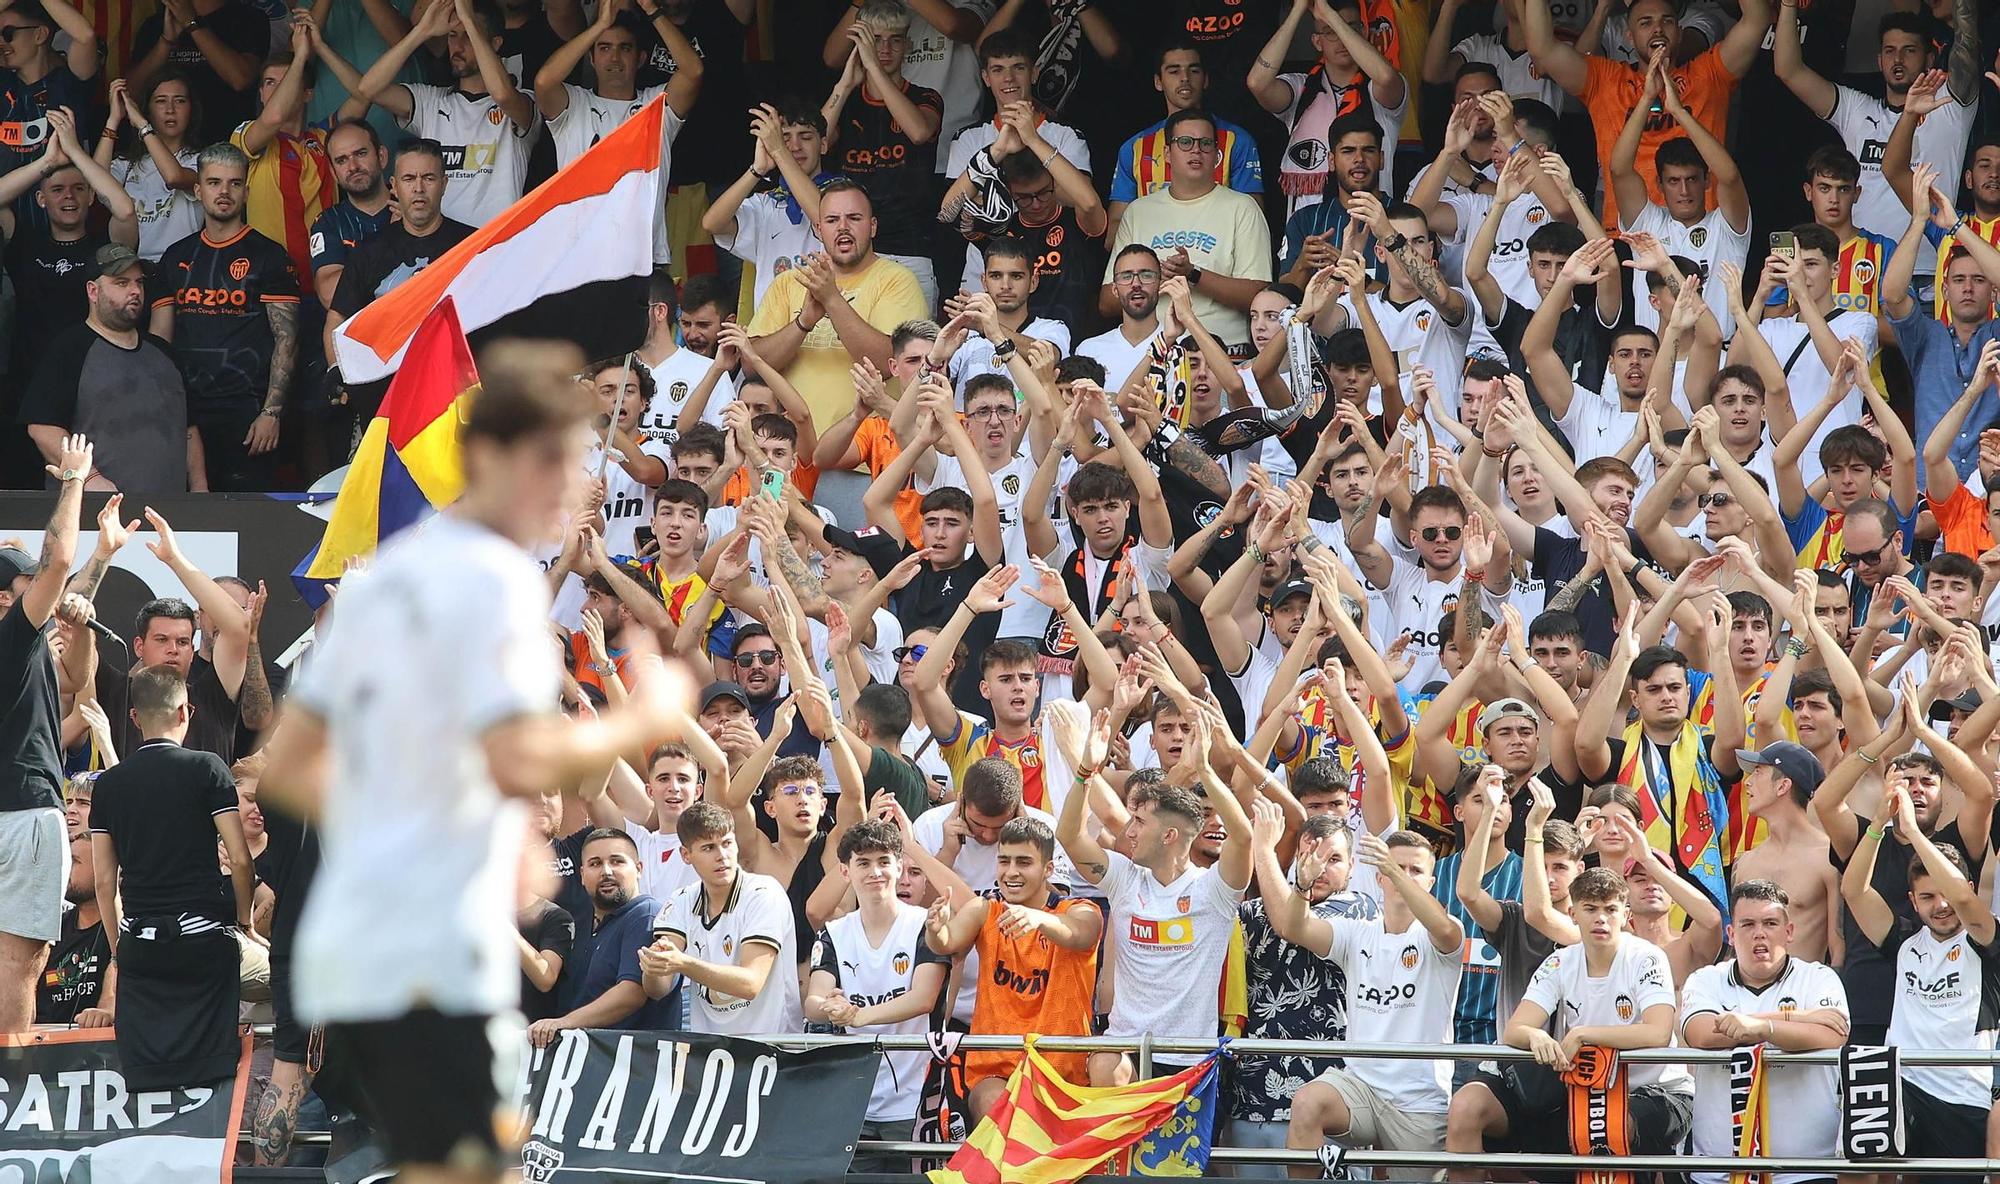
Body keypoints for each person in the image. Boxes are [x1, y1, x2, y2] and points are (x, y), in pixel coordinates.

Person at [258, 342, 688, 1184]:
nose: (570, 487)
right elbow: (516, 753)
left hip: (365, 954)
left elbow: (290, 767)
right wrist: (643, 719)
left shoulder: (388, 576)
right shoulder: (492, 580)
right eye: (553, 463)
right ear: (487, 457)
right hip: (426, 954)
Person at [1257, 799, 1464, 1167]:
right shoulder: (1357, 933)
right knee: (1307, 1102)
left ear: (1431, 882)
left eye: (1415, 870)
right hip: (1361, 1089)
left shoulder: (1439, 934)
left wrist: (1397, 872)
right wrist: (1302, 886)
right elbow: (1295, 927)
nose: (1404, 875)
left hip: (1419, 1101)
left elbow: (1446, 931)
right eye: (1395, 868)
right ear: (1378, 878)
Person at [1446, 867, 1692, 1172]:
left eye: (1611, 909)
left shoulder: (1648, 957)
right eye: (1590, 909)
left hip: (1659, 1091)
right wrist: (1535, 1036)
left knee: (1604, 1127)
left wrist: (1583, 1034)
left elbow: (1658, 1032)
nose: (1601, 918)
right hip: (1577, 1091)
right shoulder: (1559, 961)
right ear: (1573, 913)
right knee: (1466, 1108)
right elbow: (1515, 1030)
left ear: (1626, 914)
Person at [1056, 704, 1253, 1085]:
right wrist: (1085, 772)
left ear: (1168, 836)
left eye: (1140, 823)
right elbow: (1069, 836)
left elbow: (1243, 836)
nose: (1129, 832)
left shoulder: (1214, 890)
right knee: (1103, 1063)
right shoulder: (1124, 879)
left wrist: (1206, 771)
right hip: (1128, 1052)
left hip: (1188, 1063)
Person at [88, 664, 259, 1089]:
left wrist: (119, 950)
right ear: (186, 712)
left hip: (141, 949)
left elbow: (104, 884)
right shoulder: (207, 767)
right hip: (204, 944)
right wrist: (244, 920)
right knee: (291, 987)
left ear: (133, 717)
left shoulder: (108, 786)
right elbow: (240, 860)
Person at [1841, 779, 1998, 1172]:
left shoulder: (1986, 937)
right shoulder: (1905, 939)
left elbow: (1961, 900)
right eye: (1927, 897)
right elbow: (1853, 890)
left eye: (1944, 892)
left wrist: (1912, 832)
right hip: (1902, 1086)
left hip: (1963, 1096)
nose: (1941, 905)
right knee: (1858, 1151)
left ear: (1969, 887)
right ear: (1912, 901)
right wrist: (1878, 823)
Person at [0, 433, 91, 1033]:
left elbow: (77, 678)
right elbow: (59, 561)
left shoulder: (23, 644)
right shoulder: (10, 638)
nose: (41, 591)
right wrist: (74, 479)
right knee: (17, 966)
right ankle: (8, 1108)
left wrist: (102, 559)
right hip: (24, 816)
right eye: (24, 586)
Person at [925, 814, 1099, 1122]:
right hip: (995, 1069)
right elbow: (947, 942)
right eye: (1003, 861)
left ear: (1048, 869)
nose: (1011, 872)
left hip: (1063, 1071)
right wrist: (936, 929)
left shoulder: (1080, 910)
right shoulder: (985, 910)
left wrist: (1039, 919)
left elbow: (1081, 932)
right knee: (994, 1102)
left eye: (1023, 862)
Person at [150, 143, 301, 493]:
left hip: (248, 414)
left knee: (246, 521)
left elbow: (287, 339)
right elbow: (160, 341)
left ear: (246, 192)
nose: (224, 192)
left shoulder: (269, 256)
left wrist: (272, 413)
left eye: (234, 183)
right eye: (215, 182)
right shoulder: (175, 257)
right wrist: (164, 411)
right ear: (198, 190)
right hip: (188, 413)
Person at [1679, 879, 1849, 1184]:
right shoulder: (1705, 979)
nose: (1759, 933)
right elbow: (1701, 1033)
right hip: (1718, 1172)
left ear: (1789, 932)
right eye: (1747, 924)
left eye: (1770, 922)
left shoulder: (1819, 977)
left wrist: (1760, 1027)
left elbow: (1832, 1034)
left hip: (1807, 1172)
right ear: (1731, 934)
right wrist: (1796, 1018)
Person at [805, 820, 949, 1168]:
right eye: (863, 863)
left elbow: (923, 998)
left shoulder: (923, 924)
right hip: (855, 1101)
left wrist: (859, 1014)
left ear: (900, 866)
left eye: (884, 861)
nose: (875, 872)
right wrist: (830, 1008)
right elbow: (812, 1003)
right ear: (845, 870)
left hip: (917, 1099)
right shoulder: (834, 933)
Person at [744, 178, 928, 433]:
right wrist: (802, 323)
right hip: (792, 453)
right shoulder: (790, 281)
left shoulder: (897, 280)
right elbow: (752, 366)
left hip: (866, 456)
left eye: (854, 218)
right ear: (818, 229)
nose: (843, 227)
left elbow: (890, 364)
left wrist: (832, 300)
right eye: (832, 220)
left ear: (873, 226)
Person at [22, 244, 200, 494]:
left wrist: (200, 489)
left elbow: (188, 428)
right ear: (93, 291)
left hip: (167, 516)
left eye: (139, 282)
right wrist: (90, 478)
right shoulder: (69, 350)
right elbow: (42, 428)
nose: (135, 290)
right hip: (92, 515)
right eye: (121, 283)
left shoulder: (165, 352)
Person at [534, 0, 701, 266]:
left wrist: (651, 10)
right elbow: (543, 81)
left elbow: (693, 71)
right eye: (604, 48)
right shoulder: (574, 104)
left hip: (642, 258)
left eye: (625, 48)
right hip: (577, 255)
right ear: (590, 58)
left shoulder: (655, 105)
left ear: (641, 58)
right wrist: (599, 24)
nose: (614, 58)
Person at [351, 0, 541, 229]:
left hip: (496, 248)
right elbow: (368, 89)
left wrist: (469, 19)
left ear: (496, 43)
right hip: (442, 251)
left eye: (468, 36)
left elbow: (502, 94)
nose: (457, 45)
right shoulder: (431, 101)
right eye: (452, 35)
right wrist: (422, 31)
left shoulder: (523, 102)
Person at [1099, 108, 1270, 351]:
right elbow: (1107, 302)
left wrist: (1193, 274)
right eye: (1185, 142)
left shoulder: (1243, 207)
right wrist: (1153, 278)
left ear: (1217, 155)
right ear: (1167, 153)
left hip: (1222, 352)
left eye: (1206, 143)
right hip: (1150, 351)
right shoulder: (1138, 211)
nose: (1196, 150)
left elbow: (1259, 295)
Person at [327, 139, 474, 415]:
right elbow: (337, 319)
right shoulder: (370, 250)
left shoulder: (472, 245)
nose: (418, 188)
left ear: (444, 184)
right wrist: (337, 370)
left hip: (457, 396)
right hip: (386, 398)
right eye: (409, 179)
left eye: (428, 178)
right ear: (394, 185)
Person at [820, 0, 943, 303]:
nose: (885, 49)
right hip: (854, 253)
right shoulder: (848, 101)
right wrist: (845, 85)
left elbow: (918, 131)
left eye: (895, 40)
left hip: (911, 249)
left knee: (915, 349)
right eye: (876, 40)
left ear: (908, 45)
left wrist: (873, 67)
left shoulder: (925, 96)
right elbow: (819, 142)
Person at [641, 801, 801, 1033]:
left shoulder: (764, 894)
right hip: (710, 1052)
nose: (722, 856)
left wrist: (682, 962)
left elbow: (751, 983)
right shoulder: (681, 900)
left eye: (727, 844)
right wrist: (654, 967)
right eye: (708, 848)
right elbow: (658, 989)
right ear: (686, 855)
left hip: (773, 1047)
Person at [1247, 0, 1409, 210]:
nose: (1342, 39)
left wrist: (1330, 16)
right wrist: (1298, 10)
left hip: (1369, 227)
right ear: (1316, 42)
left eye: (1350, 28)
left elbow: (1387, 78)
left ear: (1365, 33)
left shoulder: (1377, 90)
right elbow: (1256, 83)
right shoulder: (1302, 89)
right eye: (1330, 32)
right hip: (1308, 232)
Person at [526, 827, 676, 1044]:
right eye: (595, 863)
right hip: (587, 1067)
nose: (606, 871)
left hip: (639, 1069)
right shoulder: (584, 925)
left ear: (639, 868)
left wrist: (564, 1023)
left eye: (617, 861)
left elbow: (632, 994)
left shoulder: (647, 914)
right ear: (582, 876)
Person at [1106, 40, 1261, 242]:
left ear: (1205, 80)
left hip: (1216, 258)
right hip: (1153, 260)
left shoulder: (1237, 140)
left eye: (1193, 70)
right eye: (1174, 71)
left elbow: (1253, 223)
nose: (1185, 78)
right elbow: (1115, 230)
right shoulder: (1135, 147)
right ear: (1158, 82)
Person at [1729, 740, 1839, 963]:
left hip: (1804, 992)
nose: (1748, 783)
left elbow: (1839, 951)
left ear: (1783, 786)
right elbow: (1735, 942)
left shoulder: (1829, 857)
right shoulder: (1744, 863)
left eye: (1758, 772)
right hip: (1746, 993)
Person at [125, 0, 270, 143]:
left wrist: (192, 23)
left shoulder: (248, 18)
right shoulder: (155, 24)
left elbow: (241, 79)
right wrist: (166, 43)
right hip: (161, 151)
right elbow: (129, 95)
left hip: (224, 150)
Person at [97, 74, 203, 262]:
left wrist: (142, 125)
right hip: (134, 270)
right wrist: (113, 120)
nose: (170, 110)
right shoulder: (128, 163)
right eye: (161, 101)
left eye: (179, 101)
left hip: (182, 267)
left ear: (191, 109)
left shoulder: (201, 160)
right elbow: (96, 184)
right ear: (148, 110)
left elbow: (174, 177)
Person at [0, 0, 99, 178]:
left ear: (40, 34)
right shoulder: (3, 83)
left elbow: (86, 36)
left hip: (63, 200)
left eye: (8, 33)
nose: (1, 42)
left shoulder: (68, 82)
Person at [306, 118, 391, 317]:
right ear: (334, 173)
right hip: (359, 338)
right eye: (341, 160)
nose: (353, 166)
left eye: (360, 154)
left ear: (382, 156)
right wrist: (394, 239)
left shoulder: (412, 208)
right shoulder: (328, 222)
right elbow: (330, 295)